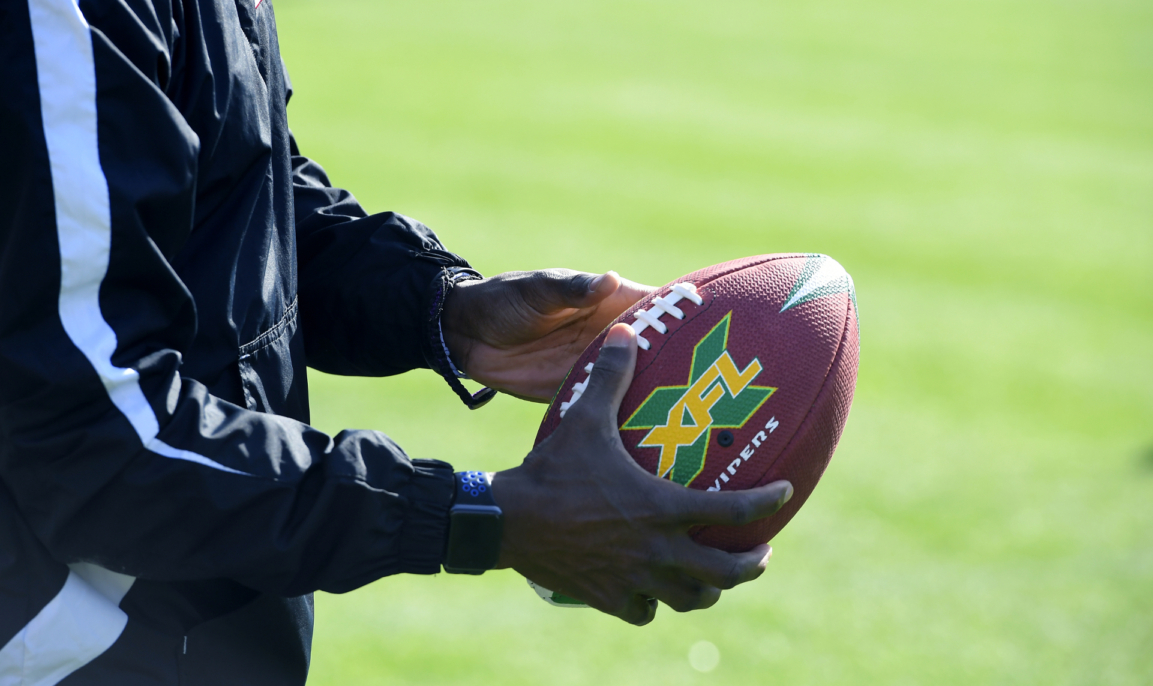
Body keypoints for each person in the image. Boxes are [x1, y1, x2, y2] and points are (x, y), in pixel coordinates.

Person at [0, 0, 793, 683]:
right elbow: (90, 439)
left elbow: (225, 194)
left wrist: (440, 308)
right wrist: (476, 513)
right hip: (59, 653)